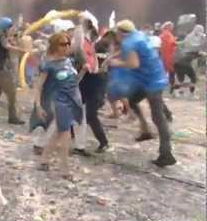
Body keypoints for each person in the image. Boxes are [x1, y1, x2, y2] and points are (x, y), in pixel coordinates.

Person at [109, 20, 176, 167]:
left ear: (121, 33)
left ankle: (166, 153)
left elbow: (134, 64)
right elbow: (132, 51)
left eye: (116, 34)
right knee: (132, 100)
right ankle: (145, 130)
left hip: (152, 82)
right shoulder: (139, 35)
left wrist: (116, 63)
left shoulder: (128, 43)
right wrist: (115, 55)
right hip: (152, 77)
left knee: (158, 118)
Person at [34, 32, 83, 181]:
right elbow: (38, 87)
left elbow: (74, 82)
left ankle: (44, 160)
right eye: (62, 44)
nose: (66, 46)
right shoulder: (48, 65)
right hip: (58, 102)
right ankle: (65, 170)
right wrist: (38, 105)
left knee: (58, 133)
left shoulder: (69, 61)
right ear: (55, 45)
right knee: (66, 135)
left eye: (68, 43)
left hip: (71, 100)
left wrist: (84, 71)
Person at [73, 12, 111, 155]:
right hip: (87, 79)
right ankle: (80, 144)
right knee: (80, 112)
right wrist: (86, 65)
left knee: (86, 114)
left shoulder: (95, 42)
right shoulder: (86, 39)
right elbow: (79, 51)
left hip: (95, 80)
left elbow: (91, 57)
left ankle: (92, 143)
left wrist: (93, 66)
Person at [0, 17, 28, 125]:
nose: (12, 29)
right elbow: (6, 46)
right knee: (12, 92)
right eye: (10, 27)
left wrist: (14, 39)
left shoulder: (0, 35)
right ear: (5, 28)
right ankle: (13, 117)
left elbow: (8, 42)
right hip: (1, 68)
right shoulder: (1, 36)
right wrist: (21, 50)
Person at [173, 25, 206, 99]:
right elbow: (199, 50)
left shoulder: (190, 41)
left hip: (178, 62)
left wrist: (175, 42)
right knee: (193, 78)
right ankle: (192, 95)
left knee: (180, 79)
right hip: (184, 63)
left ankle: (176, 93)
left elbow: (182, 43)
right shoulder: (195, 48)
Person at [159, 22, 177, 95]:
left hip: (163, 56)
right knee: (171, 73)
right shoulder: (167, 34)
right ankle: (171, 91)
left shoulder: (162, 34)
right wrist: (176, 43)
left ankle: (163, 90)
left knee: (164, 73)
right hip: (169, 57)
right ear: (168, 27)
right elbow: (171, 43)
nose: (172, 28)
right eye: (172, 26)